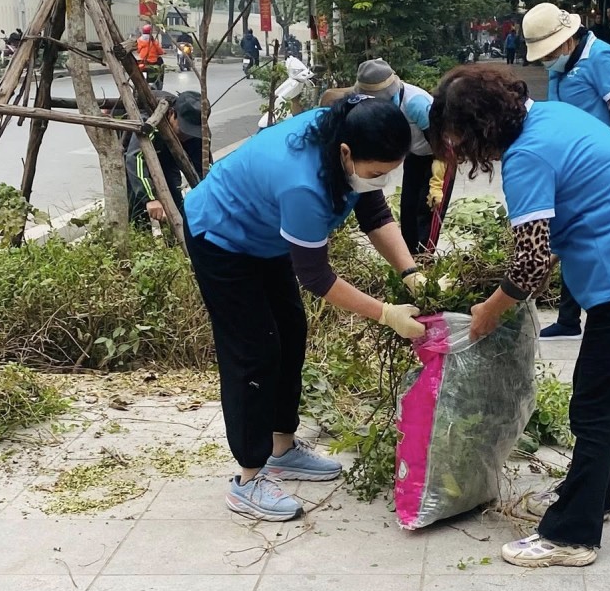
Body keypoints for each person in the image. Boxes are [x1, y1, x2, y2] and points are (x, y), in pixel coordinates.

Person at [428, 65, 610, 568]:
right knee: (596, 398)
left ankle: (572, 536)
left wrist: (490, 310)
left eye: (461, 139)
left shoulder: (528, 157)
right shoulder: (555, 116)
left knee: (592, 410)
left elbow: (531, 262)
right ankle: (593, 498)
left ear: (482, 129)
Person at [183, 95, 428, 521]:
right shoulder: (303, 183)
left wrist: (411, 272)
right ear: (347, 155)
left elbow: (374, 213)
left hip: (265, 234)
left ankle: (281, 448)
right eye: (377, 173)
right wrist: (387, 313)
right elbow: (317, 278)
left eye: (390, 173)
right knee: (254, 352)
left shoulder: (348, 134)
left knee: (291, 331)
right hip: (221, 235)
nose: (381, 181)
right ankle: (248, 477)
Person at [523, 2, 610, 342]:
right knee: (570, 238)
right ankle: (569, 318)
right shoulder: (558, 64)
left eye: (549, 52)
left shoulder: (601, 56)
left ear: (567, 38)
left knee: (594, 241)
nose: (547, 59)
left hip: (600, 167)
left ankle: (609, 308)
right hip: (568, 166)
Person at [354, 59, 443, 255]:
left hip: (438, 157)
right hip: (415, 155)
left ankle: (425, 259)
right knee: (408, 207)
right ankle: (409, 257)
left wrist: (437, 182)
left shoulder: (415, 103)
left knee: (427, 209)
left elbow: (442, 146)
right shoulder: (377, 103)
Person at [126, 90, 205, 229]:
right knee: (139, 207)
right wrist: (149, 198)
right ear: (171, 114)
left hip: (170, 159)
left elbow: (203, 166)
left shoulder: (198, 132)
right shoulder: (151, 121)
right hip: (139, 157)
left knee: (175, 199)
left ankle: (175, 237)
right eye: (183, 130)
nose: (187, 136)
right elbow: (135, 158)